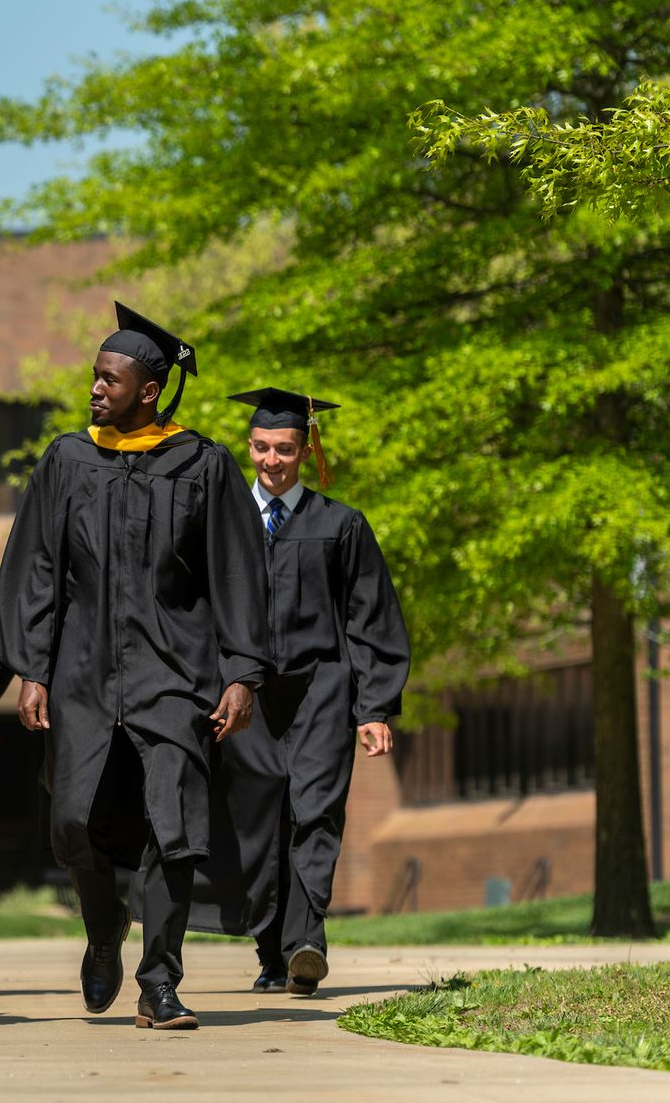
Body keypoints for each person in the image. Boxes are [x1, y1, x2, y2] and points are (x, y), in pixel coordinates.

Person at [0, 303, 271, 1031]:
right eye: (94, 376)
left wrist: (242, 673)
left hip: (176, 671)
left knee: (173, 823)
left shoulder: (202, 463)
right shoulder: (69, 460)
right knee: (76, 821)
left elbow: (236, 571)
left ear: (149, 388)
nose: (96, 389)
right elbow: (36, 569)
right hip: (81, 669)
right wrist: (33, 669)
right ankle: (104, 926)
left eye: (111, 379)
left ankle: (159, 981)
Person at [200, 388, 409, 996]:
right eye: (262, 448)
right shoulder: (225, 522)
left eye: (285, 449)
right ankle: (272, 951)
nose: (273, 460)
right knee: (260, 819)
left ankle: (307, 940)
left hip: (322, 686)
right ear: (250, 446)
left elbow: (370, 618)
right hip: (248, 694)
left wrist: (373, 707)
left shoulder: (340, 525)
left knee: (316, 810)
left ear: (305, 448)